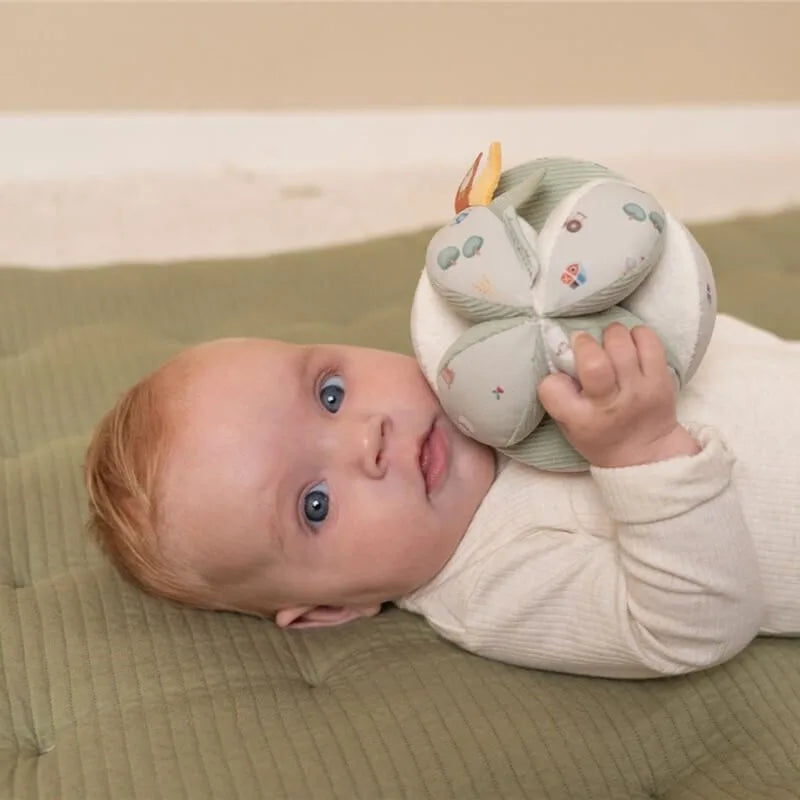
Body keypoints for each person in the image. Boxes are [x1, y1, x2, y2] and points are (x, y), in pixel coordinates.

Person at [85, 314, 800, 679]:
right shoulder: (492, 586)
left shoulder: (483, 359)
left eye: (331, 393)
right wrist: (640, 456)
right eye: (315, 506)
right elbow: (692, 628)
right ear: (334, 608)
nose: (367, 440)